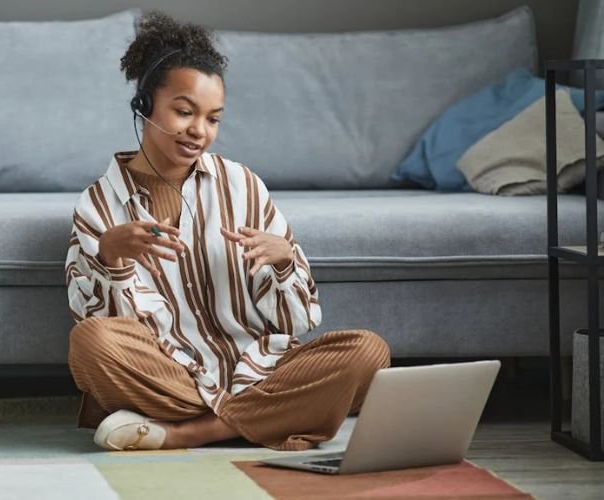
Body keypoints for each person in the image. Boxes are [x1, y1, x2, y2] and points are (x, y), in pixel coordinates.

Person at [65, 11, 390, 452]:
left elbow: (296, 321)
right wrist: (111, 258)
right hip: (172, 375)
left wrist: (284, 262)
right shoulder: (98, 206)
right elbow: (106, 331)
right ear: (144, 106)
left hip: (259, 367)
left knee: (370, 353)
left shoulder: (243, 185)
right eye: (184, 112)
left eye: (213, 118)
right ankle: (274, 417)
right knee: (90, 343)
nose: (199, 131)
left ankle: (191, 432)